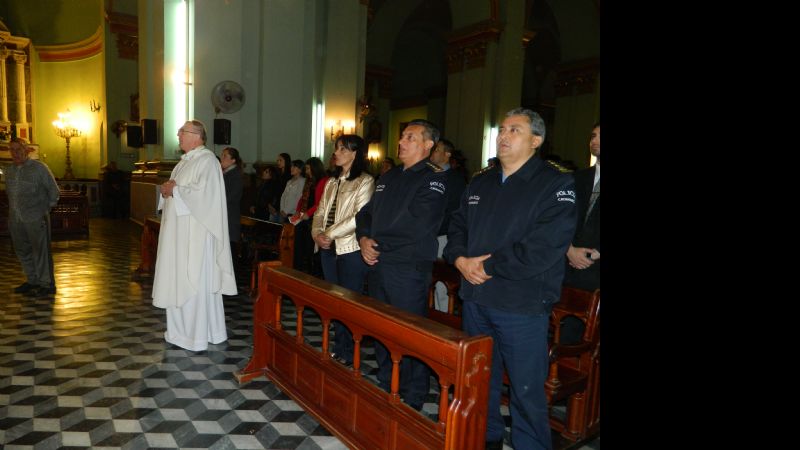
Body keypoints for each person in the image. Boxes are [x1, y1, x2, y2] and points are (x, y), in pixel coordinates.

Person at [444, 108, 576, 450]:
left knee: (525, 390)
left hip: (521, 304)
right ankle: (485, 439)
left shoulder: (555, 183)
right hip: (476, 299)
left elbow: (543, 247)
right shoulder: (481, 180)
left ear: (536, 140)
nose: (503, 135)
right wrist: (459, 259)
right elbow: (457, 226)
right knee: (479, 383)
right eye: (502, 129)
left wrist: (486, 267)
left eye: (514, 130)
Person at [355, 119, 447, 410]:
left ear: (427, 145)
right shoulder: (390, 177)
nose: (401, 142)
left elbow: (416, 224)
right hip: (378, 262)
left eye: (410, 137)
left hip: (407, 266)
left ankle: (414, 392)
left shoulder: (434, 178)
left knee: (409, 331)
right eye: (402, 136)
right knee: (382, 328)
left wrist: (376, 244)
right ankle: (387, 381)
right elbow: (366, 213)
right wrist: (363, 238)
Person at [152, 120, 237, 351]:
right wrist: (168, 189)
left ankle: (196, 335)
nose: (178, 134)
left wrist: (175, 190)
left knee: (194, 281)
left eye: (182, 131)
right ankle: (180, 332)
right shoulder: (183, 163)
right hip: (179, 235)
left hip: (196, 236)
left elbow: (205, 197)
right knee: (178, 279)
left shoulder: (207, 161)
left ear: (197, 135)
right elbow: (178, 190)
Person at [312, 134, 375, 365]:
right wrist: (317, 235)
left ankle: (350, 352)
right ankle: (340, 348)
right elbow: (319, 212)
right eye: (336, 148)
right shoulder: (332, 181)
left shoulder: (365, 181)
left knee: (349, 303)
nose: (336, 152)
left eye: (341, 149)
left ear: (354, 153)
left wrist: (327, 234)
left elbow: (358, 218)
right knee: (334, 302)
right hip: (327, 249)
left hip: (349, 249)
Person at [561, 122, 601, 343]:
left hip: (596, 267)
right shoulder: (577, 178)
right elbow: (560, 219)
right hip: (571, 267)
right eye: (593, 135)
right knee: (568, 330)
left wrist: (597, 253)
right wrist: (569, 250)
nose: (594, 140)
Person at [6, 137, 60, 298]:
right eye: (12, 150)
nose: (15, 153)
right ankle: (32, 280)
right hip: (15, 217)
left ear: (27, 150)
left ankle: (46, 284)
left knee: (40, 251)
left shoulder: (40, 168)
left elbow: (54, 191)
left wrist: (45, 210)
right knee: (22, 250)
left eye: (18, 149)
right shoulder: (9, 170)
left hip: (36, 217)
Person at [428, 138, 467, 312]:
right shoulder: (428, 174)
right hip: (426, 235)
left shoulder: (455, 178)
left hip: (442, 235)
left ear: (447, 154)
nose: (433, 153)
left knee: (442, 281)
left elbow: (453, 210)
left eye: (437, 150)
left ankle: (442, 316)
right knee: (428, 279)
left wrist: (434, 227)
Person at [291, 157, 329, 274]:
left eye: (308, 168)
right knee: (299, 244)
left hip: (314, 218)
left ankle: (311, 272)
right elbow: (302, 198)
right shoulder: (309, 181)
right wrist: (298, 211)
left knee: (309, 247)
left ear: (314, 168)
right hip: (303, 217)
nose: (306, 171)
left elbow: (320, 202)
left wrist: (309, 213)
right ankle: (298, 270)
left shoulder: (323, 181)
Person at [220, 147, 244, 265]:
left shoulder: (236, 175)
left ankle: (232, 280)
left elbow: (231, 197)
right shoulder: (223, 174)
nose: (222, 158)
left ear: (233, 160)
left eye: (225, 156)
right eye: (222, 155)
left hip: (230, 217)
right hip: (222, 216)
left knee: (230, 250)